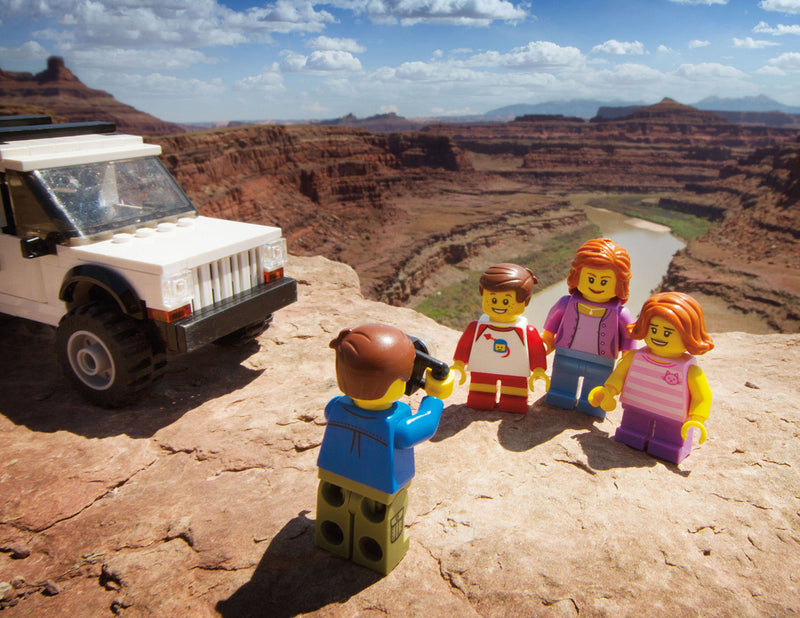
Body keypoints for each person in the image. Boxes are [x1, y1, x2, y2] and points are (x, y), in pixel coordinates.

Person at [315, 324, 453, 574]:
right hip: (380, 487)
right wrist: (434, 397)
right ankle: (376, 552)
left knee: (334, 507)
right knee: (379, 521)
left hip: (333, 474)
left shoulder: (336, 406)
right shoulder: (398, 423)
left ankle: (333, 536)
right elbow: (423, 427)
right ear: (395, 383)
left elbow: (327, 413)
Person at [588, 292, 714, 464]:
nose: (659, 336)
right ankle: (632, 434)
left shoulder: (690, 370)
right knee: (632, 430)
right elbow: (619, 375)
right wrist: (609, 390)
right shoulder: (634, 357)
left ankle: (669, 446)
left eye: (668, 333)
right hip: (636, 406)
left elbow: (702, 396)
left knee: (669, 439)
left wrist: (697, 418)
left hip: (673, 415)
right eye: (653, 329)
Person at [542, 238, 635, 418]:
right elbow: (550, 327)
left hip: (602, 363)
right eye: (590, 278)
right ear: (577, 276)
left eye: (604, 281)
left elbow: (629, 344)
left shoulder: (622, 315)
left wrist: (626, 364)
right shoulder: (565, 303)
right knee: (561, 388)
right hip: (565, 355)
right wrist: (546, 342)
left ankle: (591, 404)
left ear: (619, 282)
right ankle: (561, 395)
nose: (596, 286)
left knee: (593, 397)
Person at [452, 263, 548, 413]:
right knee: (480, 395)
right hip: (483, 370)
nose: (499, 306)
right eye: (493, 299)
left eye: (506, 301)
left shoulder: (525, 330)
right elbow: (465, 345)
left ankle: (513, 401)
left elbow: (536, 350)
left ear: (524, 301)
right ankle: (482, 399)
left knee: (514, 398)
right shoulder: (476, 327)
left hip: (515, 372)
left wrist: (538, 369)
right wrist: (459, 363)